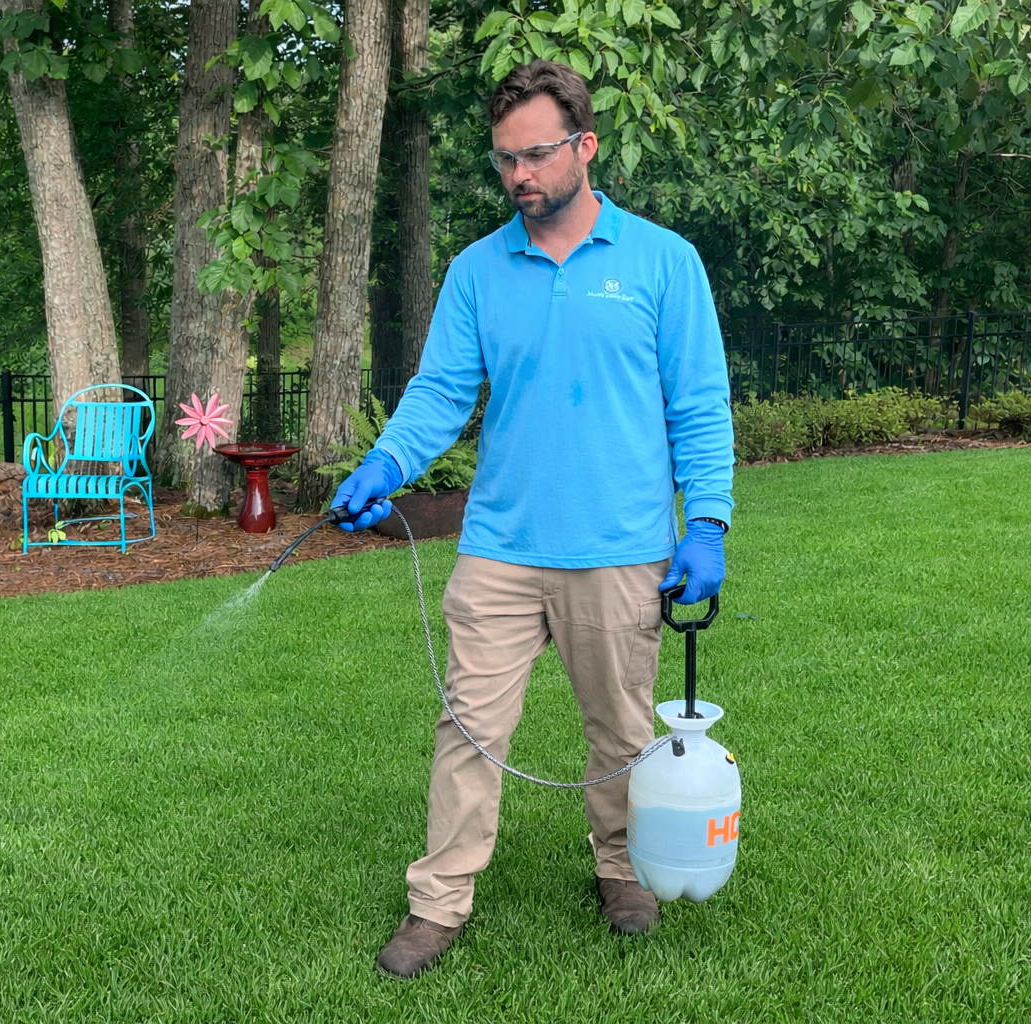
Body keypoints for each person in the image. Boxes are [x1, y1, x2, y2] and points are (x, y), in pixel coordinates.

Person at [331, 59, 735, 979]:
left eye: (539, 155)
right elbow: (440, 391)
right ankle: (439, 902)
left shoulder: (663, 262)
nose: (520, 176)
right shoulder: (478, 271)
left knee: (623, 732)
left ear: (585, 147)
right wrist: (385, 463)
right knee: (468, 729)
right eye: (506, 160)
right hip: (501, 548)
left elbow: (701, 405)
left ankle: (623, 870)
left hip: (624, 546)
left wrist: (706, 521)